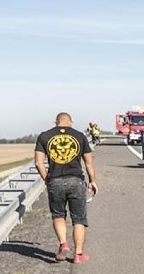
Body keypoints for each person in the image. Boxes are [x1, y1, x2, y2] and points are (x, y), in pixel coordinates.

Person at [34, 112, 98, 263]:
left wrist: (47, 179)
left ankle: (63, 244)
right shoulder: (80, 136)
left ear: (55, 122)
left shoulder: (44, 136)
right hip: (76, 180)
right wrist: (92, 181)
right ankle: (78, 254)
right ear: (71, 122)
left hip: (55, 180)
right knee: (79, 219)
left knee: (58, 215)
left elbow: (38, 163)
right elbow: (89, 162)